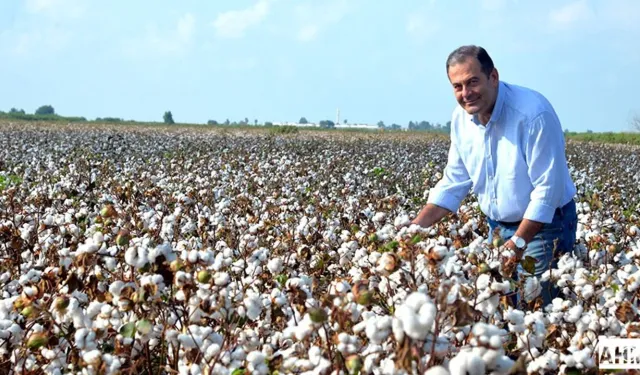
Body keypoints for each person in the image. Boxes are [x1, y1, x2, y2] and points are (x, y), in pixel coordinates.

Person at [411, 45, 577, 308]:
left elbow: (548, 190)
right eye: (457, 86)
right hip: (498, 229)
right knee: (500, 308)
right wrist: (412, 231)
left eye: (472, 82)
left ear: (494, 77)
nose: (466, 93)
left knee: (537, 314)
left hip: (545, 228)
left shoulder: (533, 114)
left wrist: (519, 241)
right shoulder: (461, 119)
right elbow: (453, 183)